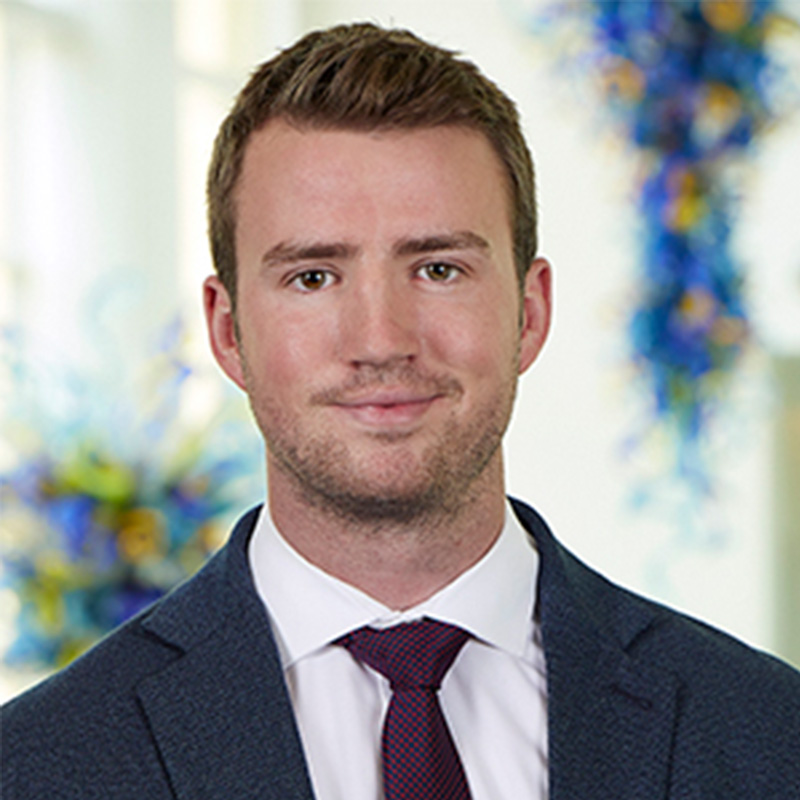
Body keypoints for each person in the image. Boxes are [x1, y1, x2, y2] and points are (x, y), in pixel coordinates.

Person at [2, 22, 799, 800]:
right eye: (313, 277)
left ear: (529, 312)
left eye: (439, 268)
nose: (381, 341)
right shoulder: (38, 767)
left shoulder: (769, 735)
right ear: (226, 330)